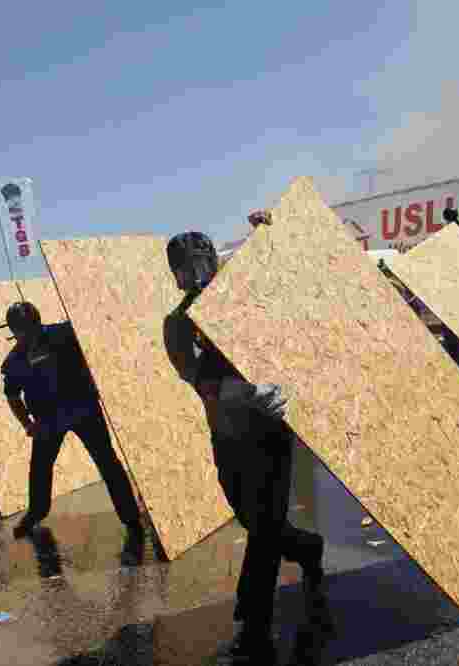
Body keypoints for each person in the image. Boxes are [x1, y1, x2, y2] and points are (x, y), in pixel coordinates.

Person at [163, 228, 333, 663]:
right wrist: (240, 390)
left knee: (262, 526)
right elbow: (199, 381)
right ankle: (307, 549)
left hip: (270, 432)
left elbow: (296, 322)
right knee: (255, 520)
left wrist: (272, 233)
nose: (197, 273)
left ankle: (254, 624)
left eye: (203, 263)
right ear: (177, 275)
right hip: (228, 434)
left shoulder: (248, 300)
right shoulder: (179, 324)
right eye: (187, 268)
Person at [0, 302, 144, 546]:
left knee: (107, 461)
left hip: (83, 409)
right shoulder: (14, 361)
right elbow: (12, 396)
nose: (23, 335)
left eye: (25, 329)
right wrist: (28, 424)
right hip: (48, 420)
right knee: (40, 468)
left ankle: (130, 517)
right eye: (19, 331)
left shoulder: (64, 333)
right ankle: (36, 512)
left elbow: (94, 337)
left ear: (35, 323)